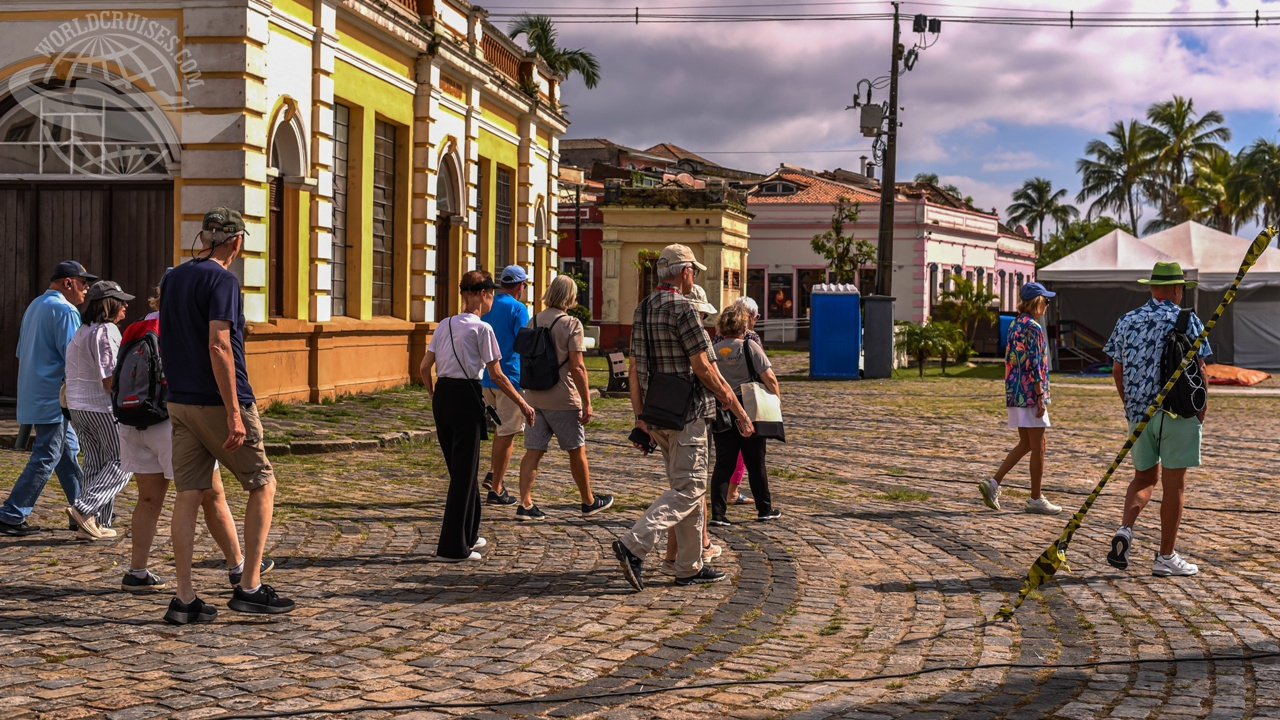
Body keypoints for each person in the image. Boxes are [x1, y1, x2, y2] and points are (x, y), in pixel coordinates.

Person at [159, 207, 294, 624]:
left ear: (204, 238)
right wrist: (235, 413)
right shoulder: (223, 279)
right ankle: (250, 586)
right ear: (235, 241)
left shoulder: (173, 277)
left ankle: (184, 599)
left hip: (179, 400)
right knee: (262, 484)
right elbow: (219, 344)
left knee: (188, 494)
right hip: (216, 400)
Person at [612, 244, 754, 591]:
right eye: (695, 271)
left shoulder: (642, 308)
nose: (695, 277)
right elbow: (703, 368)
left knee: (687, 486)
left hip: (657, 412)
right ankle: (634, 544)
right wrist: (737, 409)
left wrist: (639, 417)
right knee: (690, 488)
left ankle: (689, 565)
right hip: (688, 413)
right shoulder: (684, 309)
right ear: (685, 271)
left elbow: (634, 368)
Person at [116, 279, 272, 593]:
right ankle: (237, 567)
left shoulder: (134, 328)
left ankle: (137, 571)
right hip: (171, 421)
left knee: (148, 498)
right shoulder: (183, 327)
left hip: (133, 421)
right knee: (211, 495)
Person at [1102, 261, 1210, 577]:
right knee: (1174, 485)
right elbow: (1200, 368)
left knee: (1144, 478)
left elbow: (1117, 370)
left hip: (1139, 414)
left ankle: (1126, 527)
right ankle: (1165, 557)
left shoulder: (1126, 321)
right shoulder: (1187, 320)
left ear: (1151, 287)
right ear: (1178, 289)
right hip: (1177, 412)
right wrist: (1202, 409)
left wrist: (1131, 405)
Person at [422, 270, 535, 561]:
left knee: (462, 471)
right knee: (463, 475)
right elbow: (496, 374)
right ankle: (452, 548)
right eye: (491, 295)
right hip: (466, 396)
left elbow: (424, 367)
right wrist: (522, 403)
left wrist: (435, 394)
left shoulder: (444, 324)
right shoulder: (482, 328)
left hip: (444, 395)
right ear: (484, 294)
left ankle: (469, 534)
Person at [0, 261, 95, 537]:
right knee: (48, 454)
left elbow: (21, 351)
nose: (86, 288)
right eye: (83, 282)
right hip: (55, 396)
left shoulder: (35, 306)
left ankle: (83, 514)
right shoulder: (65, 310)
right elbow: (74, 357)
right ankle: (11, 513)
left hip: (36, 391)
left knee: (66, 454)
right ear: (68, 283)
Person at [514, 275, 613, 520]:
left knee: (533, 451)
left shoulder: (532, 320)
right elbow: (577, 367)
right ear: (570, 297)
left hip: (535, 396)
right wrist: (587, 402)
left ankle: (524, 503)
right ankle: (588, 501)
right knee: (576, 450)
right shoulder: (571, 324)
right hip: (563, 398)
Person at [979, 282, 1063, 515]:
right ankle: (1035, 498)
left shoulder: (1015, 324)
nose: (1047, 304)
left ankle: (993, 483)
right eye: (1045, 300)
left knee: (1026, 443)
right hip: (1029, 393)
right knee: (1039, 446)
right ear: (1036, 302)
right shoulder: (1033, 327)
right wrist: (1039, 396)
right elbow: (1035, 364)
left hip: (1015, 391)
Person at [63, 281, 135, 539]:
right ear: (109, 304)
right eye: (121, 301)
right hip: (102, 407)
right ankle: (85, 509)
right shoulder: (106, 331)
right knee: (124, 460)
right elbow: (109, 379)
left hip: (79, 406)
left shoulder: (82, 330)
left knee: (96, 463)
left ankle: (93, 525)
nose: (126, 306)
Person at [708, 303, 783, 526]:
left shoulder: (713, 350)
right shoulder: (749, 346)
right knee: (755, 461)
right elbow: (770, 378)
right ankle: (764, 509)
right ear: (743, 325)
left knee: (724, 463)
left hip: (722, 407)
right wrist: (776, 401)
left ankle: (718, 514)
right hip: (749, 406)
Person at [479, 265, 530, 507]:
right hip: (510, 376)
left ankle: (493, 473)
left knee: (500, 430)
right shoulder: (518, 308)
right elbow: (524, 344)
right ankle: (497, 488)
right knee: (507, 433)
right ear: (520, 285)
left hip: (487, 377)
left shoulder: (488, 304)